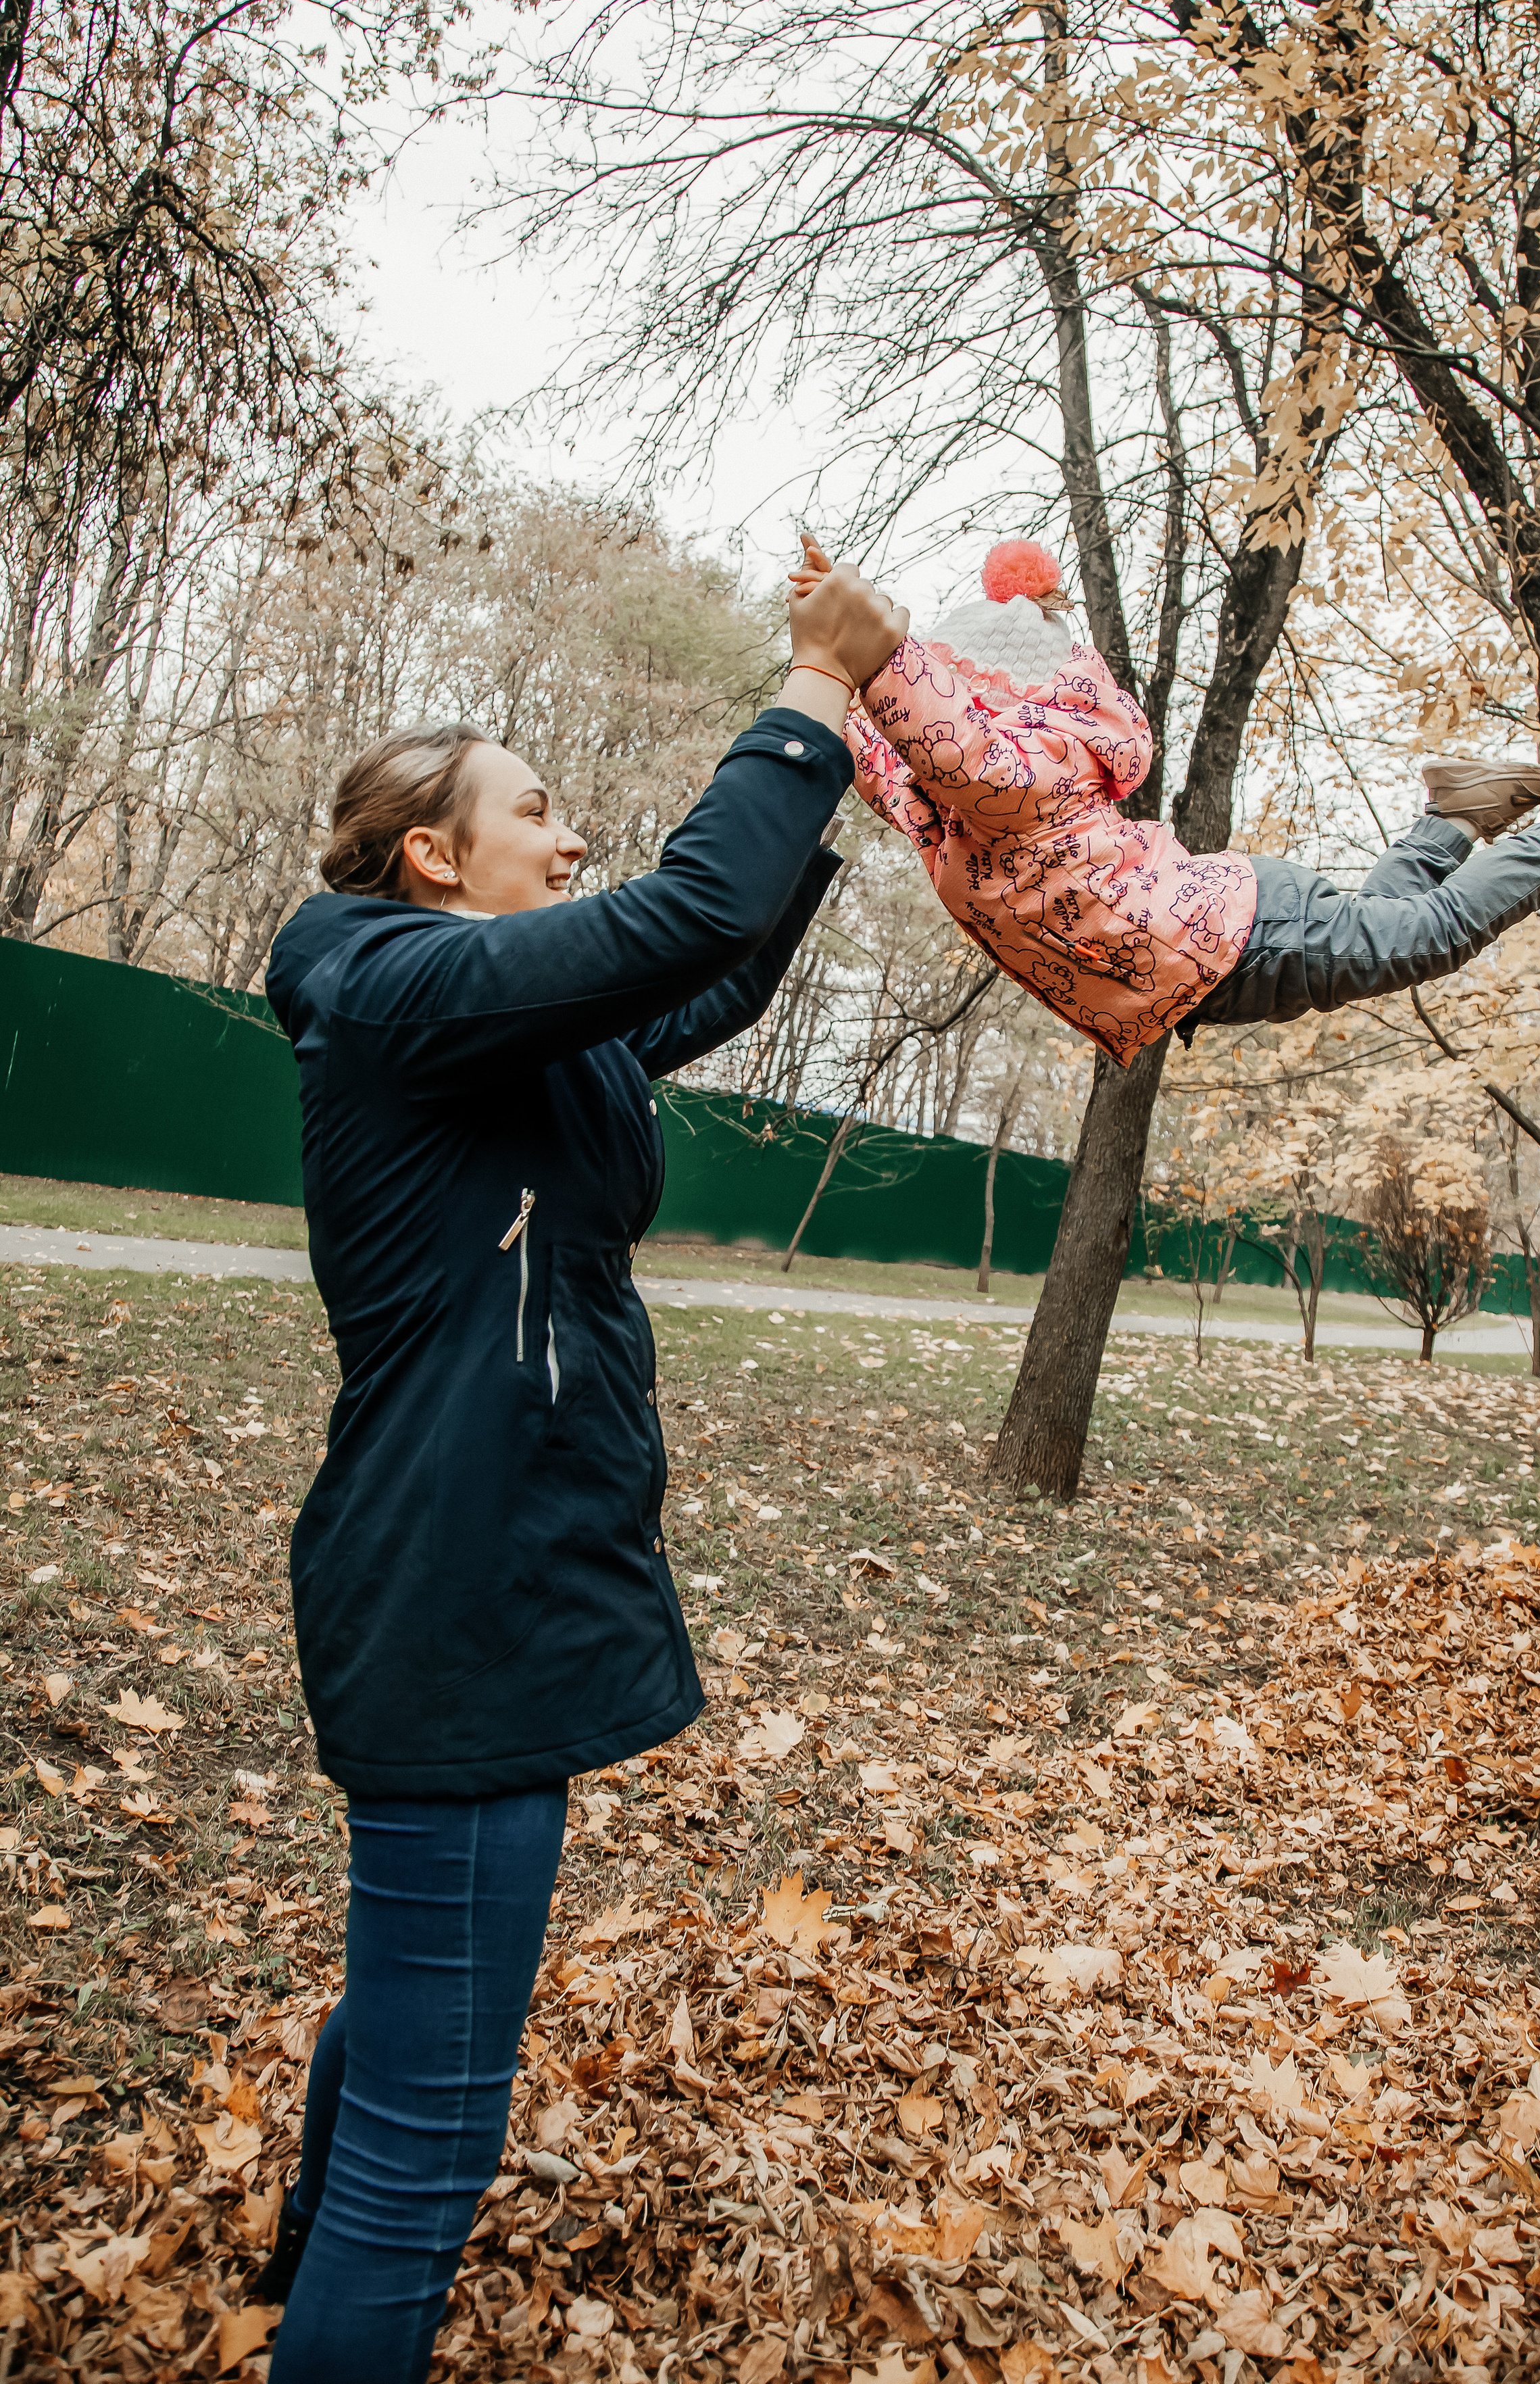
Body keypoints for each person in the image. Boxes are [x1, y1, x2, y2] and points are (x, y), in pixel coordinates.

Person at [255, 552, 905, 2384]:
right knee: (426, 2152)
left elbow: (702, 960)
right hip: (454, 1599)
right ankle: (327, 2294)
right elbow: (683, 904)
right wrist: (806, 687)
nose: (567, 836)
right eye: (532, 812)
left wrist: (852, 761)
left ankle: (283, 2276)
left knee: (403, 2037)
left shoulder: (502, 1041)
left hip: (481, 1579)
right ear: (432, 860)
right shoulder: (398, 992)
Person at [805, 536, 1540, 1066]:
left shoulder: (1021, 782)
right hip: (1218, 949)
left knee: (1428, 936)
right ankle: (1453, 815)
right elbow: (890, 768)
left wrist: (876, 653)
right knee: (1387, 922)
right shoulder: (952, 824)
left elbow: (949, 745)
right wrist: (820, 680)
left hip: (1227, 944)